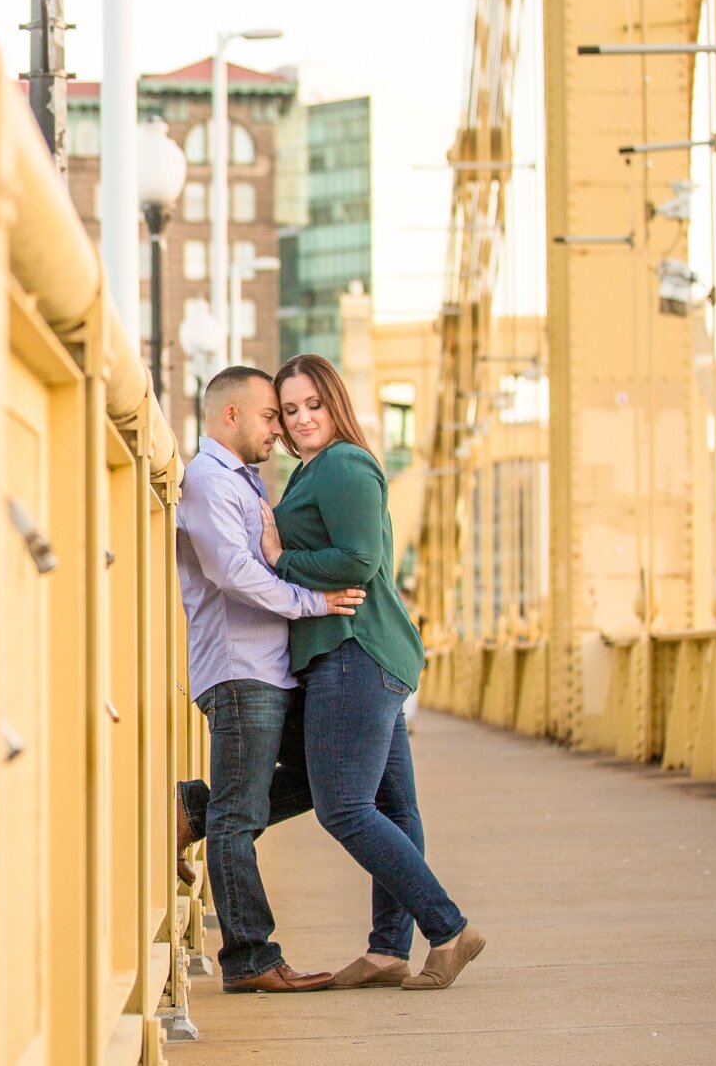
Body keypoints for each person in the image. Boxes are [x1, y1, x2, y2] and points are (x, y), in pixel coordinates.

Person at [258, 352, 484, 991]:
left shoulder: (346, 465)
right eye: (290, 409)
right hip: (365, 652)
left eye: (313, 404)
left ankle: (449, 927)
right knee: (394, 807)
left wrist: (280, 559)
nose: (302, 419)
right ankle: (389, 951)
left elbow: (358, 560)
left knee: (345, 808)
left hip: (354, 651)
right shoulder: (312, 471)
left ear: (336, 403)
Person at [172, 365, 366, 994]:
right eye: (269, 416)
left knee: (317, 779)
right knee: (240, 816)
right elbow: (232, 573)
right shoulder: (206, 481)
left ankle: (188, 810)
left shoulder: (248, 481)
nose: (280, 428)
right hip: (237, 670)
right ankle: (251, 959)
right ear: (230, 415)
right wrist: (314, 602)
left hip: (268, 670)